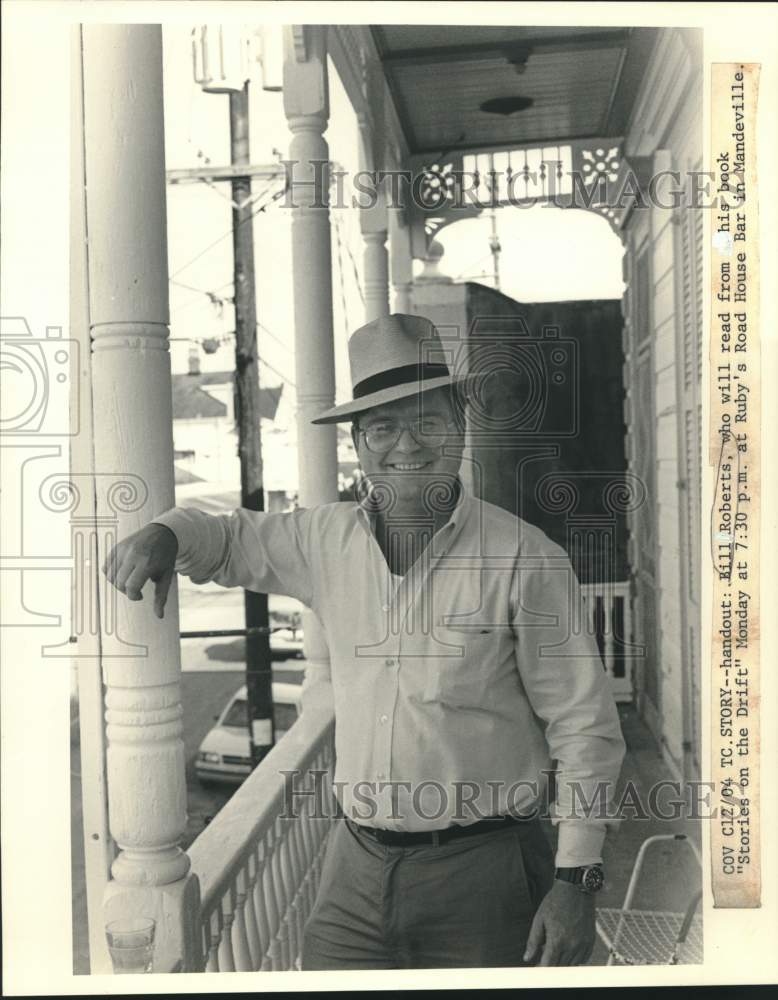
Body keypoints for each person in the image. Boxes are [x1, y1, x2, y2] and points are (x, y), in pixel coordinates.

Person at [103, 313, 626, 969]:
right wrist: (167, 533)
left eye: (427, 420)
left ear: (459, 427)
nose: (406, 442)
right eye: (382, 425)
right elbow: (231, 539)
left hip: (487, 874)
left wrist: (577, 880)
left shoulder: (527, 560)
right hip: (353, 870)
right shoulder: (323, 541)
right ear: (358, 441)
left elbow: (584, 727)